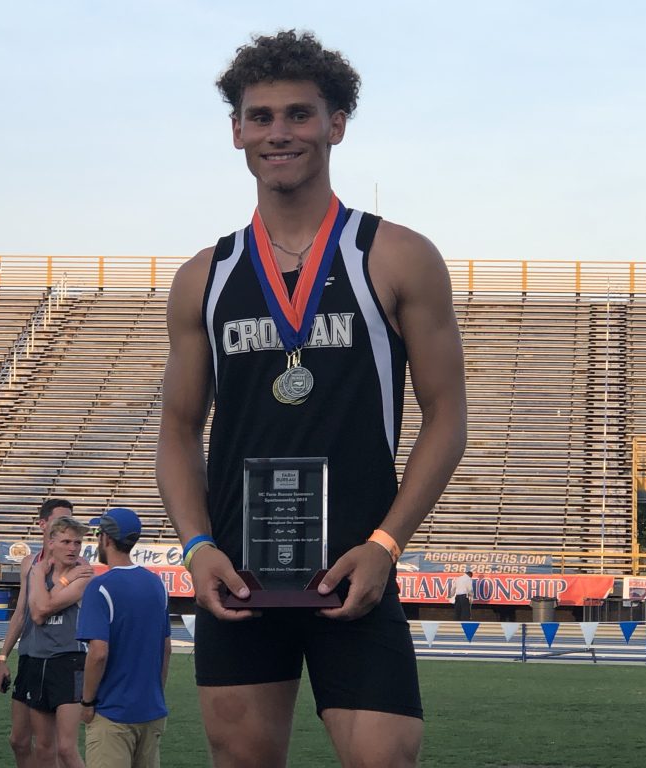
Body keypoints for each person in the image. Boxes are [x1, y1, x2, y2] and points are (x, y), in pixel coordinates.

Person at [156, 29, 467, 768]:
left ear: (336, 124)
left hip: (358, 568)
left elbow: (448, 416)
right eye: (260, 116)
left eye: (299, 114)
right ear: (236, 130)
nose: (279, 132)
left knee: (385, 758)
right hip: (238, 575)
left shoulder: (397, 256)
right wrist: (197, 548)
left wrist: (386, 545)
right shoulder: (204, 276)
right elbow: (176, 430)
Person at [76, 507, 171, 768]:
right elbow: (166, 648)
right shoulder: (156, 584)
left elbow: (98, 653)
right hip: (151, 710)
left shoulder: (100, 587)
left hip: (113, 712)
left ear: (106, 538)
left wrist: (87, 702)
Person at [0, 498, 82, 768]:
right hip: (31, 656)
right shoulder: (30, 563)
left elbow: (40, 611)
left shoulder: (79, 567)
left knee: (53, 746)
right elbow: (21, 612)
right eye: (60, 520)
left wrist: (49, 578)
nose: (67, 525)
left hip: (61, 657)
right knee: (19, 740)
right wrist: (2, 657)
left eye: (71, 520)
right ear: (43, 525)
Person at [26, 516, 93, 768]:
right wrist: (38, 575)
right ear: (51, 543)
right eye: (66, 542)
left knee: (66, 748)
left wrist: (41, 578)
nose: (73, 548)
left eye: (77, 543)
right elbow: (36, 614)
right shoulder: (39, 571)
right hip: (38, 659)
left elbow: (41, 610)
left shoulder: (84, 574)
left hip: (69, 660)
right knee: (43, 746)